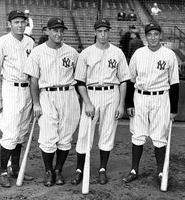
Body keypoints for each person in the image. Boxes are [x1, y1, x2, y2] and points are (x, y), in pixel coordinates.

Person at [71, 19, 131, 185]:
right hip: (91, 94)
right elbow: (80, 82)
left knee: (107, 131)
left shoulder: (117, 52)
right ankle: (79, 170)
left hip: (112, 93)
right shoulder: (86, 53)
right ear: (95, 33)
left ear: (109, 32)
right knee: (84, 132)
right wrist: (88, 103)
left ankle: (102, 169)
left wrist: (121, 104)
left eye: (106, 31)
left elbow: (124, 80)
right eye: (100, 31)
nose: (103, 34)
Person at [23, 17, 80, 187]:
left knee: (65, 136)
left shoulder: (72, 52)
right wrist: (36, 103)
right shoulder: (37, 52)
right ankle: (48, 171)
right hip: (46, 95)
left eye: (61, 30)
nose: (58, 33)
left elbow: (80, 77)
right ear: (47, 31)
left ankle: (58, 170)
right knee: (48, 136)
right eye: (55, 30)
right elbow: (33, 80)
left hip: (68, 94)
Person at [122, 23, 179, 186]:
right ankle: (134, 170)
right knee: (138, 134)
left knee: (159, 136)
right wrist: (129, 103)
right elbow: (131, 80)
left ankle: (161, 172)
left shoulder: (169, 54)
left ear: (160, 35)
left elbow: (174, 83)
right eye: (150, 34)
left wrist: (173, 110)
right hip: (140, 98)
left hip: (161, 98)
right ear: (145, 36)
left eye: (156, 34)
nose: (153, 37)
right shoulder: (138, 54)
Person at [0, 10, 35, 188]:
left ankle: (14, 168)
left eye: (22, 22)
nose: (20, 25)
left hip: (27, 90)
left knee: (22, 132)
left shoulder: (30, 41)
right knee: (10, 132)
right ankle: (2, 171)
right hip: (10, 89)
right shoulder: (1, 43)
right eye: (16, 22)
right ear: (9, 24)